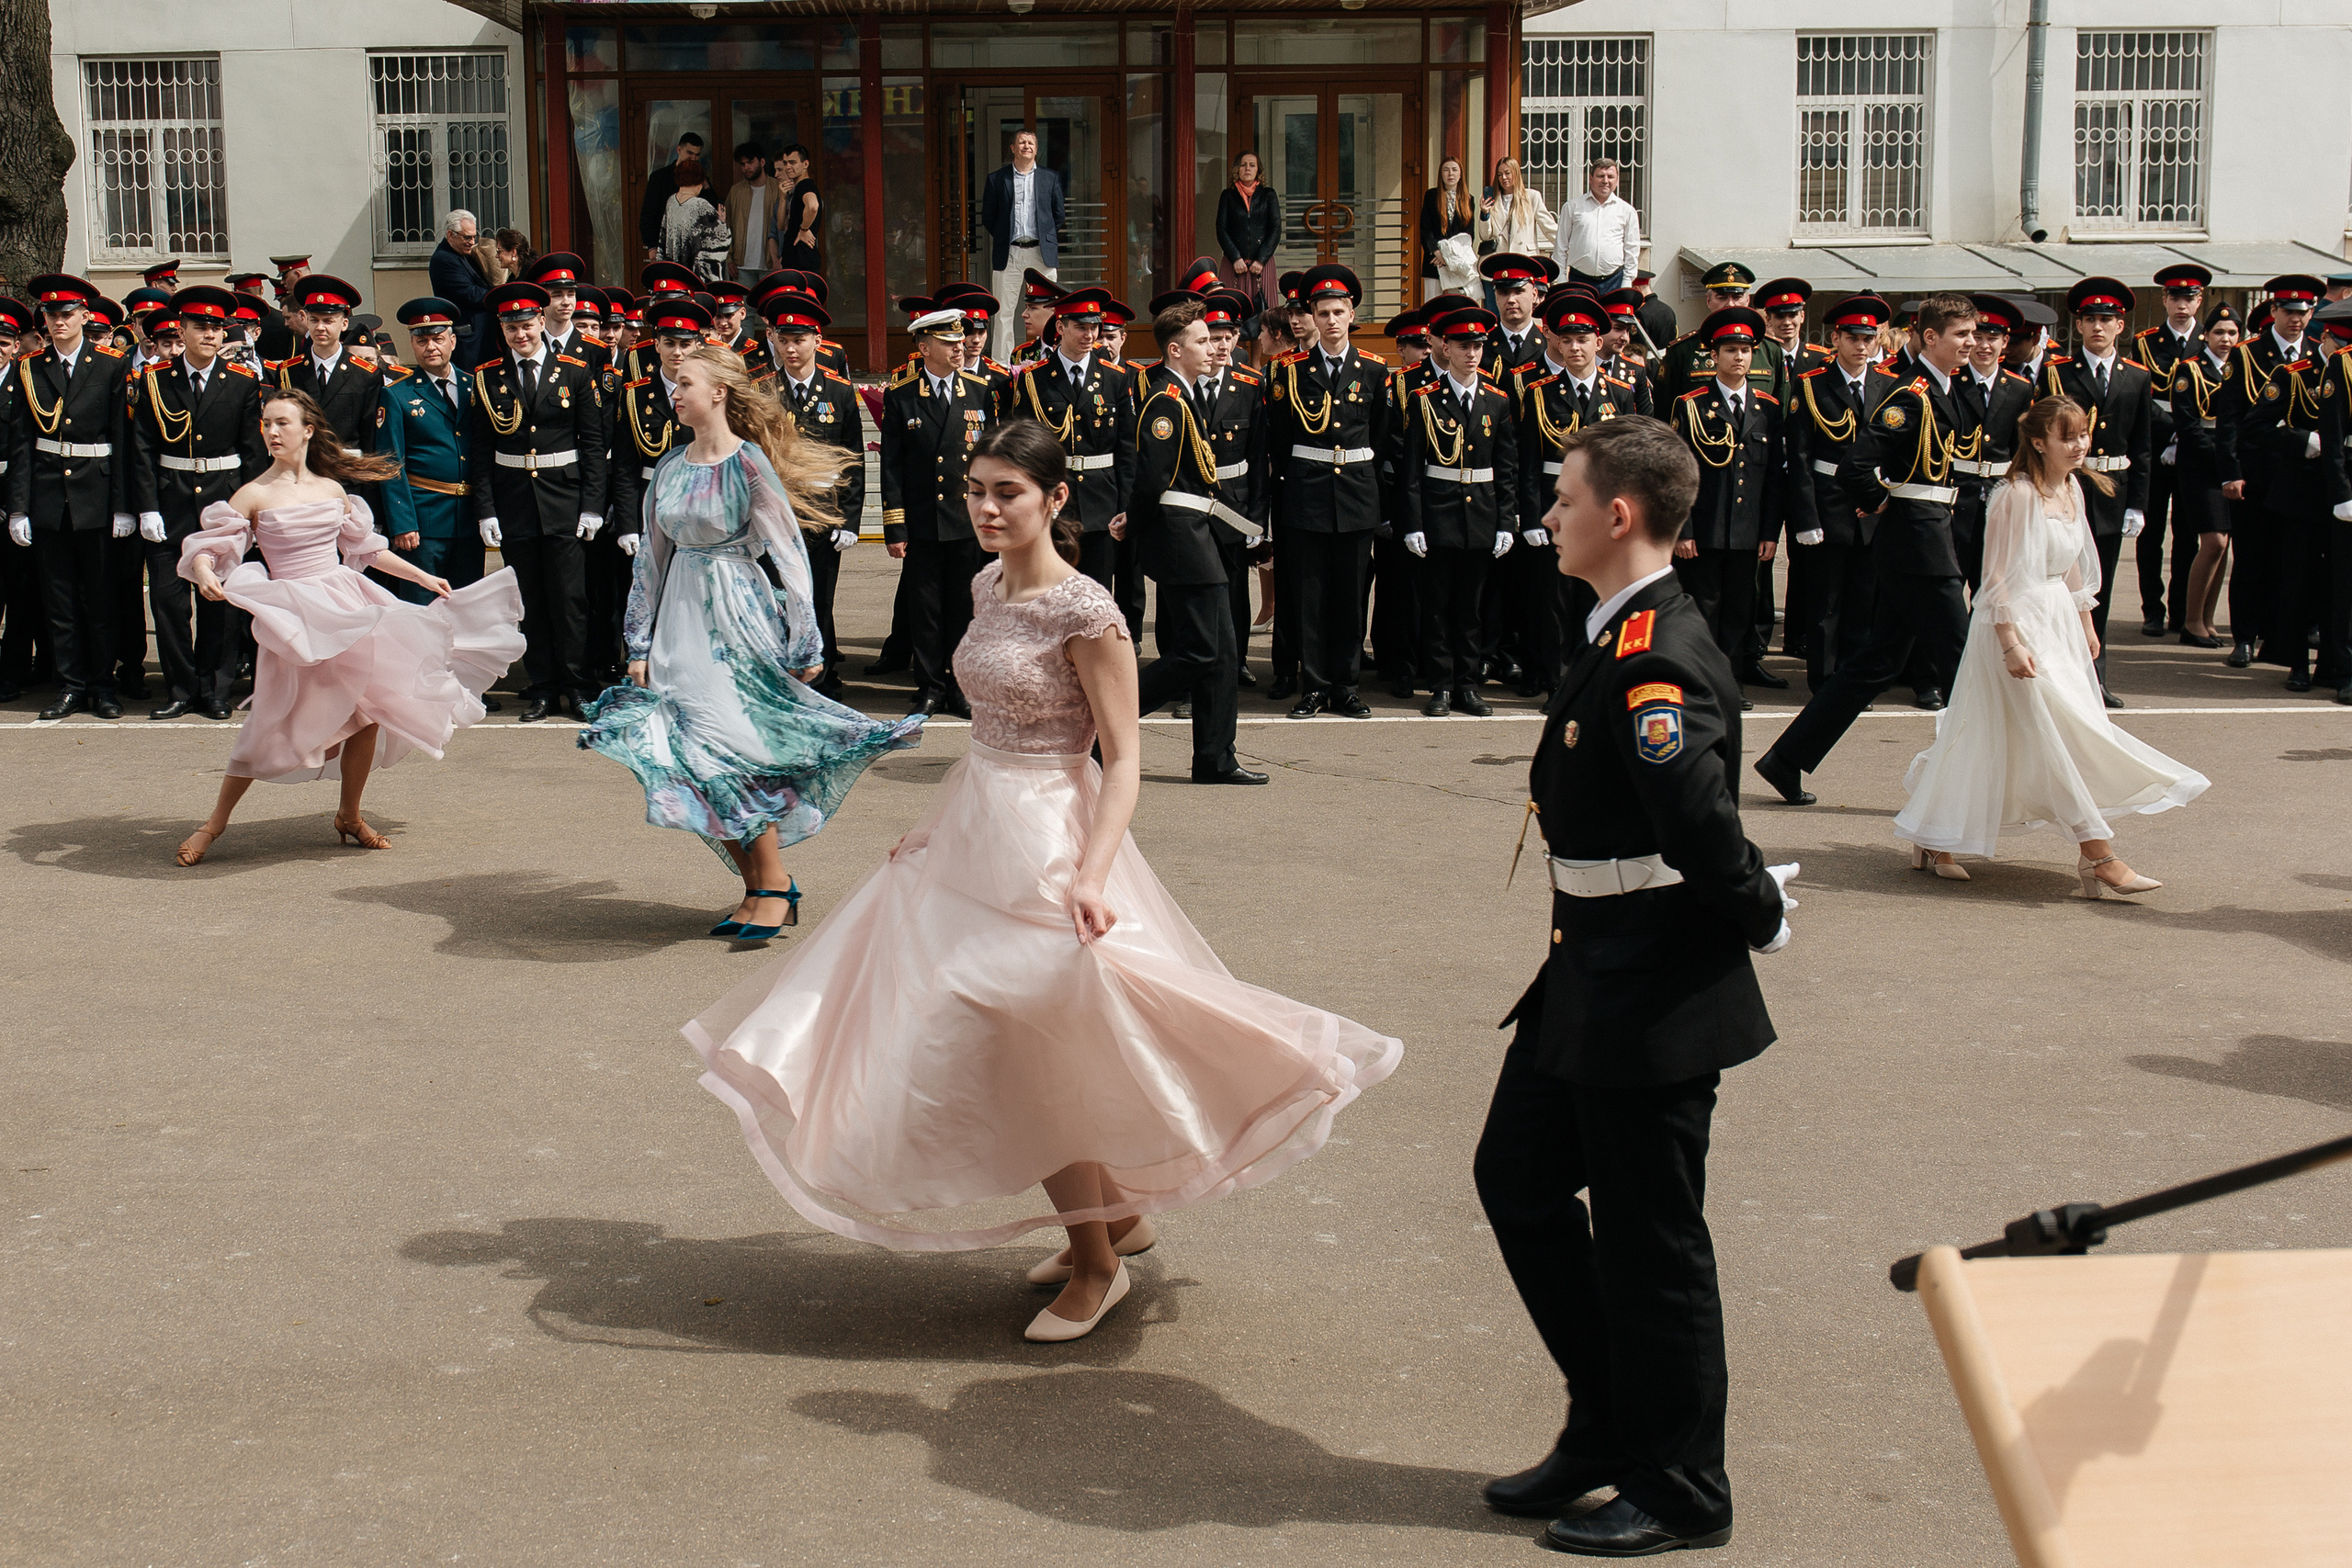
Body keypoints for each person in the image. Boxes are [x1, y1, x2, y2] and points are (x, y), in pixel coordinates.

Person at [682, 416, 1399, 1342]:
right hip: (976, 825)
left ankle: (1099, 1265)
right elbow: (984, 737)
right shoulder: (985, 582)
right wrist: (931, 828)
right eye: (976, 490)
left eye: (1006, 493)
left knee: (1040, 1040)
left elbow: (1125, 759)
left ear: (1057, 500)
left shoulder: (1087, 613)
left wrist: (1094, 876)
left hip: (1052, 842)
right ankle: (1114, 1220)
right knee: (1012, 1038)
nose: (984, 508)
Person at [1476, 413, 1792, 1558]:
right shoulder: (1618, 624)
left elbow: (1697, 812)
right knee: (1515, 1178)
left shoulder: (1656, 644)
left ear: (1617, 515)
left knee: (1655, 1241)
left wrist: (1756, 904)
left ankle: (1683, 1482)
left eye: (1562, 498)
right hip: (1586, 966)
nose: (1548, 515)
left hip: (1650, 982)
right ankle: (1608, 1423)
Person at [581, 343, 917, 938]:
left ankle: (770, 885)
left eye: (685, 382)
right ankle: (765, 886)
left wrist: (807, 642)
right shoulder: (670, 466)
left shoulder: (749, 464)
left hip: (736, 619)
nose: (674, 391)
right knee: (685, 761)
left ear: (719, 392)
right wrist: (637, 644)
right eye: (674, 383)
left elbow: (789, 556)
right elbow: (651, 564)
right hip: (677, 630)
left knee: (728, 754)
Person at [171, 388, 524, 865]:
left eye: (282, 423)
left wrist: (420, 575)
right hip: (297, 618)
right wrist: (209, 571)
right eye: (267, 424)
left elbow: (367, 551)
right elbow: (212, 546)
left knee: (366, 713)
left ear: (308, 431)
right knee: (271, 720)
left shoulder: (334, 491)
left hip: (346, 604)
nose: (272, 432)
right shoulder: (254, 493)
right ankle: (213, 825)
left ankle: (349, 815)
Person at [1894, 395, 2209, 886]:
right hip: (2015, 624)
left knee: (2020, 733)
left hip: (2058, 620)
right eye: (2068, 436)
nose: (2080, 445)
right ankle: (2098, 855)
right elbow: (1992, 578)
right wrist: (2009, 643)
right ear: (2039, 442)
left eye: (2083, 434)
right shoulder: (2015, 494)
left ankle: (1933, 834)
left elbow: (2077, 563)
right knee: (2052, 733)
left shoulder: (2073, 490)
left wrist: (2085, 624)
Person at [1754, 292, 1980, 806]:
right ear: (1930, 338)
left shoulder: (1946, 389)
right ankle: (1973, 786)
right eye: (1963, 335)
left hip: (1928, 537)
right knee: (1964, 664)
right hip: (1918, 547)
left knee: (1873, 666)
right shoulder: (1912, 396)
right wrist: (1881, 505)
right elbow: (1858, 466)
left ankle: (1785, 759)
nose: (1974, 343)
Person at [1123, 297, 1263, 784]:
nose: (1215, 348)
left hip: (1200, 533)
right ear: (1176, 349)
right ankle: (1101, 720)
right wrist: (1133, 530)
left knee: (1221, 653)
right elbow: (1151, 478)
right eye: (1203, 341)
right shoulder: (1165, 400)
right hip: (1182, 540)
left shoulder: (1185, 394)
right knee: (1198, 652)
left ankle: (1215, 758)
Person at [467, 280, 611, 723]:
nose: (520, 335)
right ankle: (544, 688)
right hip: (514, 503)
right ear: (503, 330)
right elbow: (480, 451)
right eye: (512, 328)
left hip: (564, 499)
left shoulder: (572, 370)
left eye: (527, 325)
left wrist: (592, 505)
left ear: (540, 323)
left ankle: (578, 687)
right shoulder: (488, 376)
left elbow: (592, 444)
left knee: (570, 599)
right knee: (529, 602)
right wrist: (486, 510)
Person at [127, 285, 267, 720]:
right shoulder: (154, 380)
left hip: (222, 505)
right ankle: (181, 688)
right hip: (170, 502)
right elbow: (143, 449)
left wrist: (249, 513)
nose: (209, 334)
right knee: (168, 604)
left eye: (216, 327)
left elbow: (252, 454)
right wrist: (146, 506)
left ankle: (215, 689)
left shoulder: (242, 382)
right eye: (199, 326)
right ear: (181, 330)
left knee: (218, 602)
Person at [1261, 264, 1392, 719]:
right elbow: (1276, 439)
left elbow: (1381, 436)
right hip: (1305, 497)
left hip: (1356, 495)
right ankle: (1313, 686)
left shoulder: (1375, 370)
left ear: (1352, 312)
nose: (1331, 320)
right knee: (1310, 597)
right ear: (1312, 316)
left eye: (1339, 311)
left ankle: (1347, 687)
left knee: (1352, 598)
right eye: (1323, 312)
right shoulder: (1286, 370)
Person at [7, 273, 133, 720]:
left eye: (66, 314)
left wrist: (123, 505)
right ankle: (69, 686)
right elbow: (23, 442)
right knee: (58, 600)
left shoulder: (112, 364)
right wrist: (19, 508)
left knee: (100, 599)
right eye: (50, 314)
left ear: (84, 315)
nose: (58, 321)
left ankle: (103, 686)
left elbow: (122, 437)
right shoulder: (31, 366)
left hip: (95, 494)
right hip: (47, 496)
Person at [1513, 287, 1643, 695]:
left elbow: (1628, 461)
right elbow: (1528, 461)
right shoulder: (1540, 392)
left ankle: (1591, 680)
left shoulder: (1620, 394)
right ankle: (1557, 683)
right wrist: (1532, 514)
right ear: (1555, 341)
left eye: (1582, 339)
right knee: (1553, 599)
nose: (1574, 347)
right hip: (1556, 505)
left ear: (1598, 343)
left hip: (1602, 507)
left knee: (1594, 597)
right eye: (1566, 340)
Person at [2037, 277, 2154, 708]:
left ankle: (2095, 677)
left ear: (2121, 326)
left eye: (2107, 319)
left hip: (2112, 492)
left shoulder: (2137, 377)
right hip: (2068, 487)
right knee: (2060, 586)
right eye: (2090, 320)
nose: (2098, 327)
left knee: (2096, 591)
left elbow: (2142, 447)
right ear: (2079, 326)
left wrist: (2138, 503)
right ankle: (2058, 672)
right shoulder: (2058, 373)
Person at [1400, 303, 1518, 716]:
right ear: (1445, 347)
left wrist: (1506, 521)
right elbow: (1411, 470)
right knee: (1437, 605)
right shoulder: (1425, 399)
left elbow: (1506, 469)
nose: (1472, 354)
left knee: (1471, 608)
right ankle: (1439, 686)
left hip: (1481, 515)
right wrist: (1413, 523)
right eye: (1463, 346)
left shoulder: (1496, 400)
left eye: (1478, 346)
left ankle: (1466, 684)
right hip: (1439, 513)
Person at [881, 307, 996, 716]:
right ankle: (930, 686)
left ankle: (961, 686)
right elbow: (891, 465)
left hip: (966, 521)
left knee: (965, 609)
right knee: (925, 610)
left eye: (961, 340)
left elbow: (990, 460)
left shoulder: (981, 390)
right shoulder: (902, 394)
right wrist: (895, 526)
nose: (960, 348)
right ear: (924, 347)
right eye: (949, 343)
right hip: (924, 520)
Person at [1782, 293, 1896, 692]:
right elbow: (1798, 458)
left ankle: (1852, 683)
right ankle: (1824, 682)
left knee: (1862, 602)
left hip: (1873, 505)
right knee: (1825, 604)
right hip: (1829, 504)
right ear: (1836, 339)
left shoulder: (1890, 385)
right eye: (1853, 338)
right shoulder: (1812, 384)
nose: (1861, 346)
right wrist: (1806, 517)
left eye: (1869, 338)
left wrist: (1884, 500)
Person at [1668, 308, 1782, 698]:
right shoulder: (1691, 404)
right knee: (1702, 609)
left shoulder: (1768, 407)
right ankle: (1700, 681)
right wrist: (1683, 530)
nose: (1739, 357)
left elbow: (1772, 479)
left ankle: (1729, 683)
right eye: (1730, 349)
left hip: (1747, 530)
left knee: (1739, 610)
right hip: (1704, 527)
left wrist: (1769, 531)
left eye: (1745, 350)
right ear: (1712, 356)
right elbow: (1678, 474)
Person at [1008, 288, 1136, 601]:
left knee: (1097, 593)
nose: (1090, 334)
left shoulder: (1115, 378)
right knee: (1051, 590)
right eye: (1081, 326)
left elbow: (1127, 450)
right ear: (1061, 327)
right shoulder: (1034, 379)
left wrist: (1126, 506)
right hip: (1055, 500)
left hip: (1101, 500)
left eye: (1095, 327)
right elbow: (1023, 450)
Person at [769, 293, 865, 697]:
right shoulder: (763, 389)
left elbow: (854, 459)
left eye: (800, 340)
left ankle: (821, 681)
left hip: (823, 517)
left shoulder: (840, 392)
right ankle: (781, 679)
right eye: (785, 339)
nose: (792, 349)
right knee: (780, 601)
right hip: (777, 515)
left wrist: (850, 520)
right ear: (774, 340)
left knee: (819, 603)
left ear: (817, 340)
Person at [376, 299, 483, 615]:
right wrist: (402, 523)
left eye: (438, 339)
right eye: (422, 340)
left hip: (469, 518)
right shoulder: (397, 394)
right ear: (412, 343)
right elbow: (390, 463)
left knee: (466, 605)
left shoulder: (474, 386)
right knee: (421, 606)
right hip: (424, 522)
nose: (431, 347)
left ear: (452, 340)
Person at [2133, 264, 2211, 636]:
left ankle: (2181, 611)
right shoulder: (2146, 341)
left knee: (2187, 532)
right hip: (2156, 443)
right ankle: (2152, 609)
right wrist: (2173, 432)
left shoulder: (2210, 341)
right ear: (2165, 299)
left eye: (2190, 298)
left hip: (2194, 447)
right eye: (2176, 297)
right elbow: (2144, 396)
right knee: (2151, 534)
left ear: (2200, 300)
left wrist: (2186, 436)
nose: (2183, 305)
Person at [2169, 304, 2245, 649]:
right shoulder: (2189, 370)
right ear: (2206, 335)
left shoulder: (2242, 368)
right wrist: (2225, 461)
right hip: (2201, 466)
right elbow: (2188, 426)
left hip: (2233, 467)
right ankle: (2191, 621)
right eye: (2219, 333)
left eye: (2232, 333)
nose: (2226, 339)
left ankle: (2209, 620)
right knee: (2213, 541)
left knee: (2224, 545)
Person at [982, 130, 1066, 362]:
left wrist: (1045, 237)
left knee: (1048, 310)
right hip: (1009, 252)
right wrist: (1004, 237)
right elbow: (988, 217)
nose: (1026, 146)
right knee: (1003, 313)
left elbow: (1058, 215)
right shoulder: (997, 179)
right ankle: (1002, 366)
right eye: (1021, 142)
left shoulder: (1050, 178)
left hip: (1041, 253)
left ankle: (1047, 361)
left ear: (1036, 149)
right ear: (1013, 148)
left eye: (1031, 143)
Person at [0, 294, 42, 701]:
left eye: (2, 343)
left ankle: (13, 670)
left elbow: (25, 448)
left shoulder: (25, 383)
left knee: (18, 588)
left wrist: (17, 505)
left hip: (12, 490)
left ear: (16, 345)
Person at [1555, 158, 1641, 292]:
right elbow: (1560, 247)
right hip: (1579, 280)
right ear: (1591, 178)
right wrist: (1561, 279)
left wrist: (1627, 281)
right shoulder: (1572, 207)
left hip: (1615, 281)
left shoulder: (1627, 210)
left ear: (1617, 180)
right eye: (1600, 176)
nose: (1605, 181)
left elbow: (1632, 249)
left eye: (1611, 177)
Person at [1477, 159, 1554, 307]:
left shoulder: (1532, 197)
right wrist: (1485, 214)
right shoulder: (1493, 199)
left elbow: (1549, 227)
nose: (1504, 178)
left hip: (1523, 262)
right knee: (1496, 311)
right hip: (1498, 264)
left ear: (1516, 173)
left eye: (1507, 173)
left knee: (1520, 310)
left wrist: (1568, 247)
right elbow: (1485, 236)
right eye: (1500, 174)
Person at [429, 210, 497, 368]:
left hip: (481, 338)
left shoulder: (463, 255)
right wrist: (499, 294)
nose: (472, 242)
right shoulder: (444, 259)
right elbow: (471, 294)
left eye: (474, 237)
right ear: (450, 235)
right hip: (468, 341)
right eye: (467, 237)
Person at [1216, 151, 1281, 310]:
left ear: (1258, 170)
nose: (1247, 169)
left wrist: (1261, 259)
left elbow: (1276, 229)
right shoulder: (1228, 196)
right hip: (1234, 264)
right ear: (1237, 169)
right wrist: (1236, 257)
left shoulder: (1268, 195)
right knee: (1231, 311)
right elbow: (1221, 229)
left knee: (1266, 314)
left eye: (1252, 165)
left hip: (1262, 265)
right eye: (1243, 165)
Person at [640, 133, 708, 261]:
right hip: (666, 248)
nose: (693, 158)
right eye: (690, 153)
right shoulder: (659, 178)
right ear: (679, 150)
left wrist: (706, 186)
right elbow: (648, 215)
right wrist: (652, 246)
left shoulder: (701, 177)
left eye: (697, 155)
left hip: (695, 249)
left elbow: (709, 206)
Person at [1419, 158, 1476, 295]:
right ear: (1441, 174)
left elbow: (1468, 234)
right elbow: (1426, 229)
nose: (1450, 174)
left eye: (1454, 170)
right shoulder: (1431, 196)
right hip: (1435, 260)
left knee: (1456, 307)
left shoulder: (1468, 199)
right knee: (1433, 305)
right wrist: (1438, 253)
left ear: (1460, 174)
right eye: (1446, 170)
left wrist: (1450, 257)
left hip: (1457, 261)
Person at [726, 143, 778, 288]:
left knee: (769, 308)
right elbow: (726, 225)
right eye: (742, 164)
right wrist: (729, 258)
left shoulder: (777, 189)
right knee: (744, 309)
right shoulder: (736, 192)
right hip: (741, 265)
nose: (746, 168)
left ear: (762, 162)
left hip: (770, 264)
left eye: (750, 162)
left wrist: (780, 259)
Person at [775, 144, 822, 276]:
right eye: (785, 163)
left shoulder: (805, 185)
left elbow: (813, 206)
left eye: (793, 162)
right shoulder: (796, 189)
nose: (788, 166)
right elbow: (780, 225)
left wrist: (804, 229)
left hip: (803, 261)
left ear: (805, 164)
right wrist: (783, 198)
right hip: (793, 260)